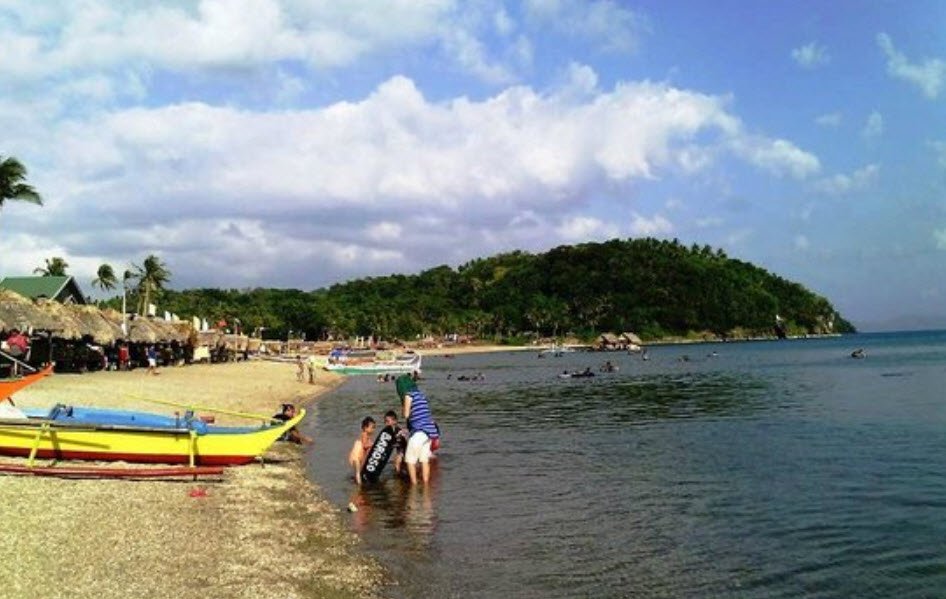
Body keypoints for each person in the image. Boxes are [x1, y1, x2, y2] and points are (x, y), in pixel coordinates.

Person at [396, 374, 440, 485]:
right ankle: (425, 487)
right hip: (428, 433)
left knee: (409, 461)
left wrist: (403, 408)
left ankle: (414, 486)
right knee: (424, 460)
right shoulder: (421, 395)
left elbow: (406, 415)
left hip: (418, 433)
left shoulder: (408, 395)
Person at [349, 416, 376, 485]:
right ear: (365, 428)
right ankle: (359, 485)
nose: (373, 429)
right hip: (356, 456)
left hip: (359, 456)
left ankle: (357, 481)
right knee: (358, 472)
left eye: (374, 427)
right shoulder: (364, 434)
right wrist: (373, 445)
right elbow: (365, 445)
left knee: (359, 471)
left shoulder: (367, 436)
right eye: (372, 427)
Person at [383, 409, 409, 476]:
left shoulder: (399, 431)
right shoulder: (388, 432)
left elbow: (404, 440)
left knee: (398, 461)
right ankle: (400, 474)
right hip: (400, 450)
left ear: (395, 421)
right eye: (385, 421)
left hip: (405, 450)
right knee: (398, 462)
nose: (386, 423)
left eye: (388, 421)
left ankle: (399, 477)